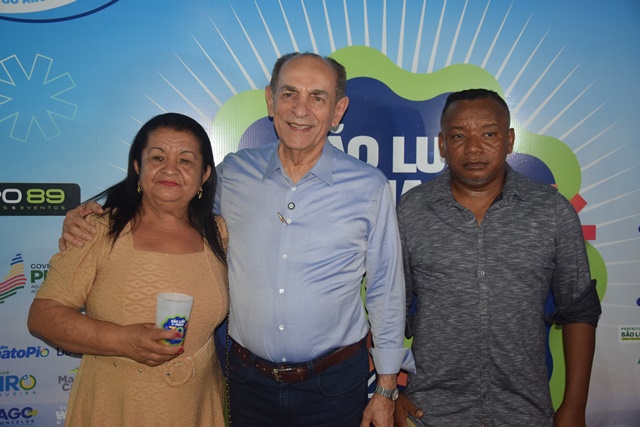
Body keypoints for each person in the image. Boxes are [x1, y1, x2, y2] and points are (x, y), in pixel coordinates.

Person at [59, 53, 415, 427]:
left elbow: (385, 290)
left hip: (335, 385)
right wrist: (99, 214)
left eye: (317, 97)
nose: (300, 110)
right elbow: (169, 204)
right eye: (289, 93)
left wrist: (386, 387)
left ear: (338, 110)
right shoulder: (233, 174)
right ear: (270, 101)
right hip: (248, 382)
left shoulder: (368, 187)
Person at [394, 89, 601, 427]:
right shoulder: (411, 211)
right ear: (442, 145)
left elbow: (580, 310)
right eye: (458, 136)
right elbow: (389, 310)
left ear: (510, 140)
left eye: (488, 134)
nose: (474, 148)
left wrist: (575, 407)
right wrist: (388, 390)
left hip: (525, 412)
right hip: (430, 413)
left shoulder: (552, 212)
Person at [28, 113, 229, 426]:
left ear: (204, 175)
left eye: (185, 160)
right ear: (138, 167)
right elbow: (43, 316)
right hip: (115, 406)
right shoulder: (97, 230)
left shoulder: (218, 234)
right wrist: (122, 340)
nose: (170, 169)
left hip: (197, 405)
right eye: (158, 157)